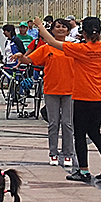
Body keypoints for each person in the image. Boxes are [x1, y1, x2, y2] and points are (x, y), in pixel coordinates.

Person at [35, 16, 101, 181]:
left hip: (83, 96)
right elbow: (96, 39)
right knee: (95, 132)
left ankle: (84, 170)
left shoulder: (81, 49)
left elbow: (51, 42)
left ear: (83, 32)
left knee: (79, 134)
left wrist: (40, 26)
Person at [14, 19, 75, 167]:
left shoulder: (72, 47)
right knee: (53, 123)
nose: (60, 29)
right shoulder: (46, 48)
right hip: (51, 90)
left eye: (64, 27)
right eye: (57, 27)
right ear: (52, 30)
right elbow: (29, 59)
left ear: (68, 31)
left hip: (70, 90)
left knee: (67, 124)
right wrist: (21, 57)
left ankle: (68, 154)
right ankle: (53, 153)